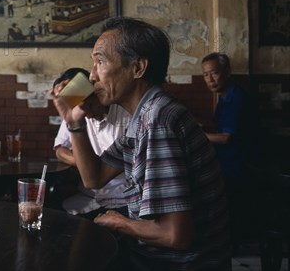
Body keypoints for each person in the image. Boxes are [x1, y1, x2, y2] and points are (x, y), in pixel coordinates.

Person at [52, 17, 231, 269]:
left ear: (138, 68)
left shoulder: (158, 120)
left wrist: (119, 222)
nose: (91, 76)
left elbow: (175, 235)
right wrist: (74, 123)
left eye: (100, 61)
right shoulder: (144, 114)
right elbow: (94, 178)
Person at [52, 68, 130, 218]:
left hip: (121, 199)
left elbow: (96, 178)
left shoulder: (126, 117)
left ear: (98, 93)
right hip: (89, 196)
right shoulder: (78, 113)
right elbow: (60, 149)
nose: (87, 113)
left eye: (90, 105)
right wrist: (82, 162)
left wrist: (90, 165)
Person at [201, 52, 255, 246]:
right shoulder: (223, 97)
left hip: (237, 164)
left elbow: (226, 138)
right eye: (205, 75)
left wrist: (195, 134)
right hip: (226, 161)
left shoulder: (236, 98)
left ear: (227, 72)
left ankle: (231, 243)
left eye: (214, 73)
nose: (210, 79)